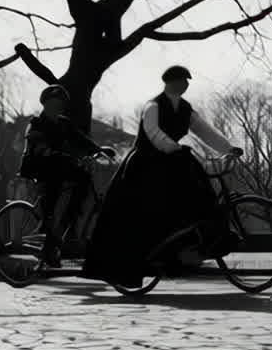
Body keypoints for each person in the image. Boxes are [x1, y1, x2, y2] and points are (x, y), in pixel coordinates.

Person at [82, 66, 244, 286]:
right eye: (182, 81)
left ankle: (192, 246)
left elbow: (205, 131)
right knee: (146, 210)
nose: (186, 85)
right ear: (170, 82)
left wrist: (228, 148)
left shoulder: (186, 109)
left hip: (174, 160)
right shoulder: (154, 106)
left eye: (187, 82)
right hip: (146, 164)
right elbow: (153, 132)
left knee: (199, 197)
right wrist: (172, 147)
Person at [18, 85, 116, 266]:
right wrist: (46, 150)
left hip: (59, 164)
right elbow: (36, 141)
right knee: (52, 191)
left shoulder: (64, 123)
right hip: (40, 167)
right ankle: (49, 235)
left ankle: (68, 223)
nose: (58, 106)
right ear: (45, 104)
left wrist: (98, 149)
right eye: (54, 102)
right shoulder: (36, 123)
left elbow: (80, 139)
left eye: (60, 103)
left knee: (83, 178)